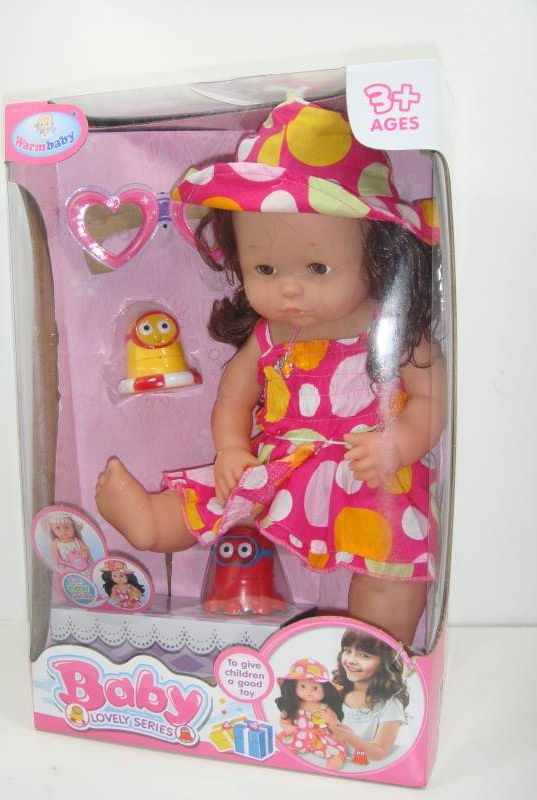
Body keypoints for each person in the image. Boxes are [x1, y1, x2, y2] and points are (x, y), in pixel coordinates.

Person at [95, 98, 445, 644]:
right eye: (264, 268)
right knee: (217, 492)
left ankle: (375, 643)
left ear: (378, 254)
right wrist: (232, 449)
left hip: (368, 466)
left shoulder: (395, 329)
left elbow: (433, 397)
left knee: (392, 558)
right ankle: (151, 522)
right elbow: (234, 397)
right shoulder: (270, 336)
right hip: (280, 460)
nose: (289, 289)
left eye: (317, 268)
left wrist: (399, 443)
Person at [329, 629, 409, 763]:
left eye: (364, 655)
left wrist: (351, 738)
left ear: (384, 662)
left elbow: (380, 752)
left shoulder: (390, 704)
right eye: (347, 651)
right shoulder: (338, 692)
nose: (351, 660)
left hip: (367, 767)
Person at [275, 658, 346, 770]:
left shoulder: (324, 707)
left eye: (315, 688)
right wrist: (287, 726)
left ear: (325, 690)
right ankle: (288, 760)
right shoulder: (294, 705)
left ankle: (332, 765)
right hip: (297, 733)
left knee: (337, 751)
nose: (309, 692)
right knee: (284, 747)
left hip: (320, 736)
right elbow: (284, 717)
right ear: (294, 686)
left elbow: (334, 721)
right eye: (303, 686)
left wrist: (329, 721)